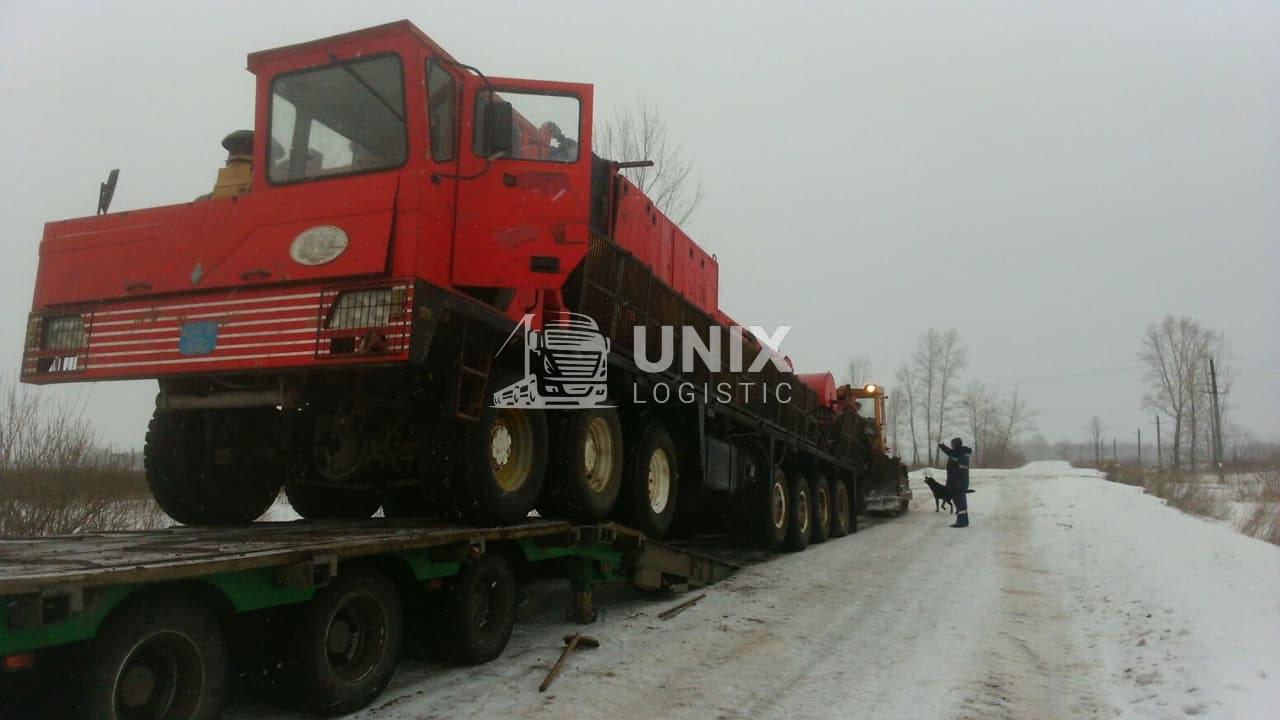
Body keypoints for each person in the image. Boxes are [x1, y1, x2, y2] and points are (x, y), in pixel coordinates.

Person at [938, 437, 972, 528]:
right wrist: (943, 447)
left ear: (956, 444)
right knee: (961, 503)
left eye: (952, 444)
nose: (951, 446)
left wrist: (954, 482)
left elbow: (960, 471)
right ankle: (964, 521)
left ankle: (961, 522)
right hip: (959, 483)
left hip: (958, 483)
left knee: (959, 502)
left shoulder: (960, 454)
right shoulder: (960, 453)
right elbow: (951, 453)